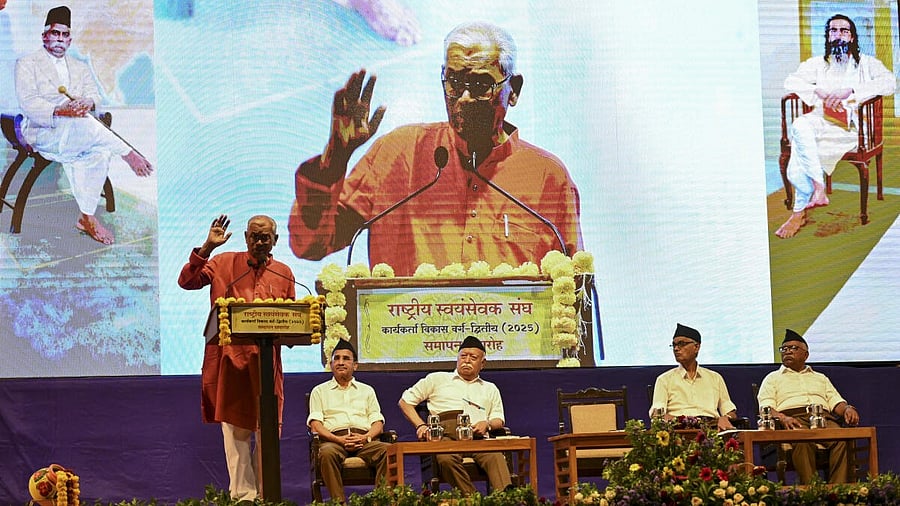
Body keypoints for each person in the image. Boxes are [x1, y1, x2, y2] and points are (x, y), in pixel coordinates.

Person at [288, 21, 583, 276]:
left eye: (480, 85)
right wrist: (334, 159)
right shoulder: (397, 155)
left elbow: (576, 288)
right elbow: (310, 244)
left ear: (513, 90)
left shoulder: (547, 177)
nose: (464, 98)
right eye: (454, 82)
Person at [177, 214, 296, 501]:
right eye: (254, 236)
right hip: (231, 363)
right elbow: (187, 281)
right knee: (236, 434)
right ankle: (244, 498)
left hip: (266, 365)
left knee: (268, 433)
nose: (259, 242)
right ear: (245, 237)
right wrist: (207, 247)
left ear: (275, 240)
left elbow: (293, 321)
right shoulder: (223, 262)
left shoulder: (284, 273)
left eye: (264, 237)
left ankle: (268, 497)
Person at [14, 5, 153, 245]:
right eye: (55, 33)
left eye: (65, 35)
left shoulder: (80, 67)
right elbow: (28, 103)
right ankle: (128, 153)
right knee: (82, 123)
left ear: (70, 40)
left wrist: (88, 102)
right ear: (44, 36)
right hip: (43, 132)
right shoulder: (27, 63)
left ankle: (86, 218)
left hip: (77, 135)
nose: (60, 39)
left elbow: (94, 96)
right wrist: (61, 110)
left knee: (100, 153)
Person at [776, 13, 896, 238]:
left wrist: (851, 91)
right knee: (800, 125)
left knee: (799, 155)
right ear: (828, 36)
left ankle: (798, 213)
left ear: (852, 37)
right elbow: (791, 81)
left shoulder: (866, 63)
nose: (838, 35)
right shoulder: (818, 64)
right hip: (821, 120)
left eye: (844, 31)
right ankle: (819, 187)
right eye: (833, 30)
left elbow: (890, 82)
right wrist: (817, 91)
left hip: (851, 127)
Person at [398, 335, 511, 494]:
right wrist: (421, 425)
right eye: (463, 356)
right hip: (445, 438)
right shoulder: (437, 379)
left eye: (473, 357)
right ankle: (472, 499)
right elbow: (405, 402)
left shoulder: (490, 388)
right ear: (457, 358)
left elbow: (499, 419)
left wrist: (487, 424)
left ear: (482, 363)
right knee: (445, 459)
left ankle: (506, 499)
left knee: (496, 456)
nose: (467, 361)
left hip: (478, 438)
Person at [756, 329, 860, 484]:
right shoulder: (772, 378)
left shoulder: (820, 378)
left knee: (842, 439)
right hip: (793, 419)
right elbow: (766, 407)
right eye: (784, 349)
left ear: (806, 355)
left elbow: (836, 401)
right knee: (802, 440)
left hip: (823, 418)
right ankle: (811, 491)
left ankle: (837, 490)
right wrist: (783, 418)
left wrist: (847, 409)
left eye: (793, 348)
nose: (787, 351)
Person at [308, 339, 390, 502]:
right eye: (336, 358)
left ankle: (380, 501)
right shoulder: (319, 391)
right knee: (326, 453)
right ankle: (339, 503)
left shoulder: (367, 390)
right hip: (333, 441)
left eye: (346, 359)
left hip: (364, 441)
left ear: (355, 365)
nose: (341, 362)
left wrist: (365, 437)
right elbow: (316, 425)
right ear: (331, 364)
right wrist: (338, 439)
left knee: (389, 450)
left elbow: (378, 423)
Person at [649, 323, 738, 431]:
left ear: (696, 347)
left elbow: (730, 411)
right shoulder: (664, 380)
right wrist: (666, 417)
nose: (676, 348)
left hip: (711, 430)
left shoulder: (715, 378)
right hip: (679, 430)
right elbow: (657, 414)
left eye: (681, 344)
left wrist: (726, 418)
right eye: (674, 345)